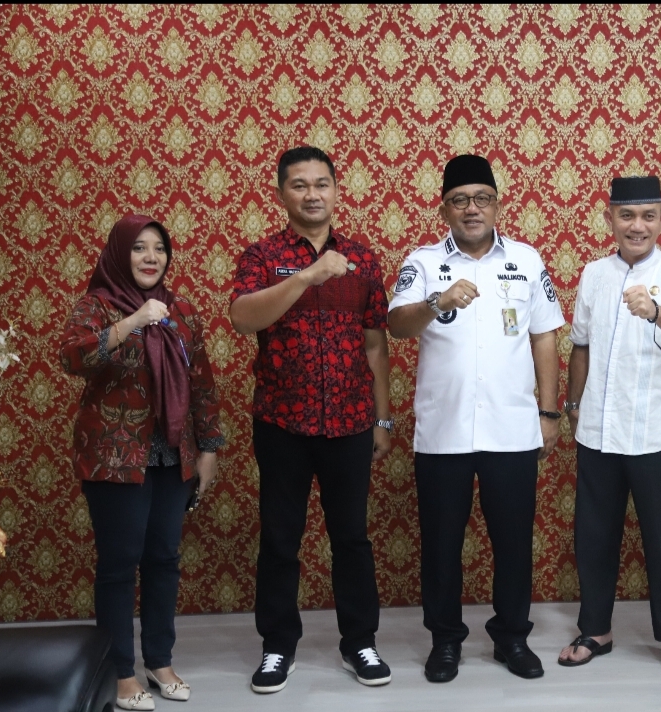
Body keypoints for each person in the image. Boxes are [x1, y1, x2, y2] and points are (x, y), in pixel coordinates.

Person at [388, 154, 564, 683]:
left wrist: (549, 412)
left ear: (497, 205)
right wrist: (436, 302)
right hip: (443, 431)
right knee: (441, 544)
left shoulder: (527, 260)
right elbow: (397, 325)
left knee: (513, 542)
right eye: (460, 200)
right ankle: (445, 641)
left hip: (512, 428)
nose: (472, 209)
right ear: (444, 209)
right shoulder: (423, 262)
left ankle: (512, 638)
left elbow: (545, 336)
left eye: (482, 199)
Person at [229, 146, 394, 693]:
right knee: (281, 540)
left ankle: (360, 642)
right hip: (282, 423)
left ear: (337, 191)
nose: (312, 194)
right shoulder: (262, 255)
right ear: (282, 194)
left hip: (350, 422)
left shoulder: (362, 259)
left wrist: (383, 419)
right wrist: (306, 276)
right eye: (299, 185)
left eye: (322, 183)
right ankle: (278, 646)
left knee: (352, 539)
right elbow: (242, 318)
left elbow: (376, 344)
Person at [60, 214, 224, 711]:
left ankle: (159, 660)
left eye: (159, 248)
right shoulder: (97, 305)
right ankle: (119, 671)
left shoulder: (181, 311)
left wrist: (209, 449)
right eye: (139, 248)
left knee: (164, 559)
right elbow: (72, 358)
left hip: (171, 456)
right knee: (118, 564)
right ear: (119, 253)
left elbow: (202, 383)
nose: (151, 257)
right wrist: (132, 322)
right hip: (114, 459)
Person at [558, 176, 661, 678]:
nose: (637, 226)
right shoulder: (594, 274)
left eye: (647, 216)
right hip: (598, 430)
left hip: (656, 430)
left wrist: (656, 311)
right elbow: (580, 345)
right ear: (610, 219)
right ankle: (595, 630)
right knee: (593, 537)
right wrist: (572, 403)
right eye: (626, 216)